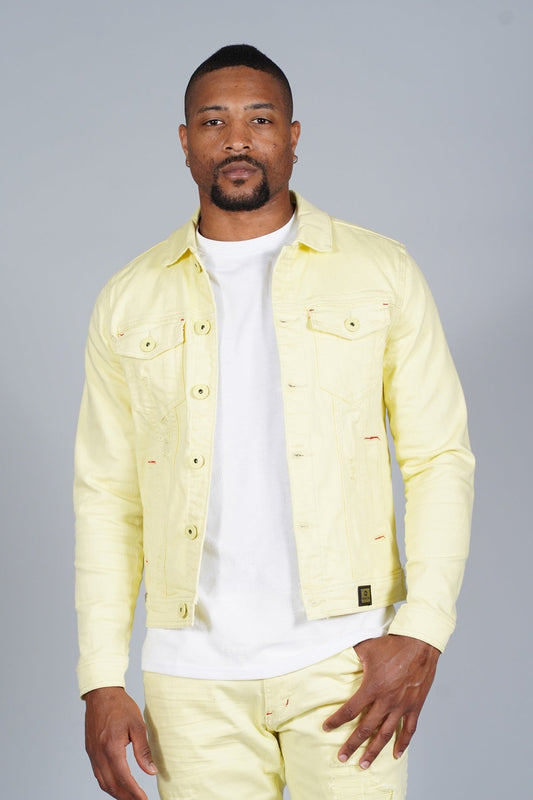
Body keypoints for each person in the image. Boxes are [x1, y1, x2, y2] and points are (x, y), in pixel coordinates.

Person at [74, 44, 474, 800]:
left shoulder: (379, 271)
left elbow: (438, 458)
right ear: (185, 141)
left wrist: (422, 628)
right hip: (191, 680)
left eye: (259, 120)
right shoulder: (129, 299)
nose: (237, 139)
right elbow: (107, 495)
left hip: (344, 663)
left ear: (292, 136)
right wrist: (100, 675)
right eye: (213, 121)